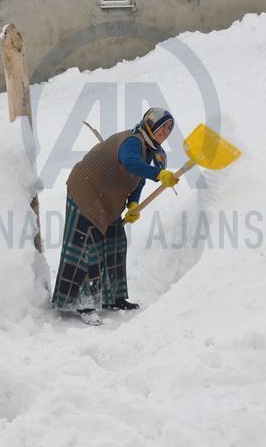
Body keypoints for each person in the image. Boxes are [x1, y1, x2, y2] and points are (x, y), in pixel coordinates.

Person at [52, 107, 179, 325]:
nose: (166, 132)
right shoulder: (133, 141)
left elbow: (138, 179)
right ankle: (84, 304)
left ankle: (113, 298)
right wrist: (159, 174)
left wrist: (132, 204)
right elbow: (130, 163)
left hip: (106, 198)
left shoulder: (150, 150)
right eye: (163, 126)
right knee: (88, 246)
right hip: (86, 190)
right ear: (151, 125)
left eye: (169, 129)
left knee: (116, 242)